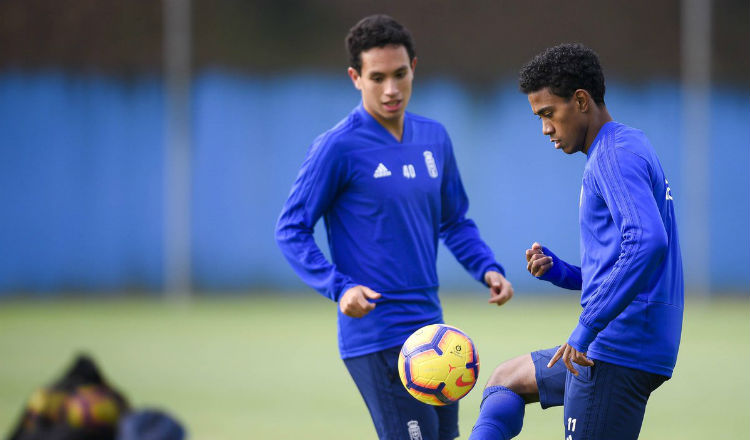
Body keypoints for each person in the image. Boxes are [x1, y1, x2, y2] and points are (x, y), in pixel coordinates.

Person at [275, 14, 513, 440]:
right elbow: (291, 228)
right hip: (376, 335)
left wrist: (487, 268)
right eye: (377, 77)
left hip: (433, 333)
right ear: (355, 77)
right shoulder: (338, 147)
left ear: (414, 68)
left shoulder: (434, 138)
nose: (391, 89)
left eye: (400, 74)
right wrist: (339, 286)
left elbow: (454, 220)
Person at [469, 43, 684, 440]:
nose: (546, 128)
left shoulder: (612, 157)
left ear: (581, 101)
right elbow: (625, 263)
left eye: (549, 114)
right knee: (505, 380)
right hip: (625, 338)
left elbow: (649, 243)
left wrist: (585, 328)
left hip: (617, 346)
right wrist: (563, 273)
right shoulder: (625, 144)